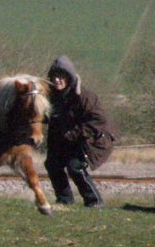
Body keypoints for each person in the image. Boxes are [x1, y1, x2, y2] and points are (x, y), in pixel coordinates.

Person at [44, 55, 116, 207]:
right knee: (52, 165)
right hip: (62, 140)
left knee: (75, 167)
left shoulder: (84, 96)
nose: (57, 80)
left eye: (61, 76)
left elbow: (98, 120)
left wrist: (75, 133)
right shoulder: (51, 96)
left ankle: (94, 201)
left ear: (69, 77)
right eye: (54, 76)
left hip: (87, 140)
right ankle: (64, 200)